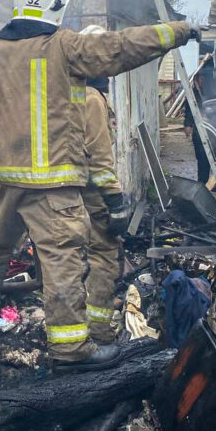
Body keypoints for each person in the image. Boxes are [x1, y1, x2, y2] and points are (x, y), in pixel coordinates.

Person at [0, 0, 197, 371]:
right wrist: (179, 30)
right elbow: (121, 48)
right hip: (52, 185)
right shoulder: (63, 47)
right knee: (61, 262)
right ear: (57, 9)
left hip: (0, 181)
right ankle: (70, 350)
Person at [77, 26, 127, 345]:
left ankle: (73, 321)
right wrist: (116, 201)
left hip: (66, 190)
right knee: (104, 252)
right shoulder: (92, 99)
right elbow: (99, 156)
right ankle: (99, 330)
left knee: (70, 256)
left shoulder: (67, 92)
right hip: (90, 190)